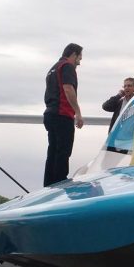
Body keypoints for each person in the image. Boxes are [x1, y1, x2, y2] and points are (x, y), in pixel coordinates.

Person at [43, 43, 84, 186]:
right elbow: (68, 89)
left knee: (53, 151)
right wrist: (78, 112)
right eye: (79, 58)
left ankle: (49, 184)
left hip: (50, 113)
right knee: (63, 151)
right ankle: (60, 182)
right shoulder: (67, 67)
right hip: (62, 114)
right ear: (73, 54)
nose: (79, 62)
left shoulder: (53, 68)